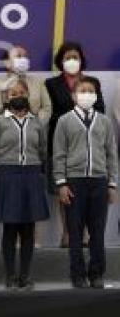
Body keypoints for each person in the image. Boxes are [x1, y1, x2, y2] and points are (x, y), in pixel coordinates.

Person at [0, 79, 49, 290]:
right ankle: (10, 276)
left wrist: (34, 166)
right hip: (8, 175)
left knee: (28, 229)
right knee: (10, 229)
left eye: (21, 92)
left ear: (28, 96)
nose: (17, 96)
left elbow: (43, 150)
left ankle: (26, 276)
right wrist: (2, 168)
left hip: (31, 174)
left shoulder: (36, 122)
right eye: (12, 93)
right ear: (6, 98)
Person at [53, 78, 118, 289]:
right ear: (74, 95)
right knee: (75, 231)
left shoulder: (105, 122)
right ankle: (77, 275)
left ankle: (96, 273)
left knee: (97, 231)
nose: (87, 94)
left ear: (96, 96)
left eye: (91, 91)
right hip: (74, 182)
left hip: (99, 181)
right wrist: (62, 184)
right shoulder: (64, 121)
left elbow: (111, 154)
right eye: (83, 90)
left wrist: (112, 184)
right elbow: (59, 155)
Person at [45, 41, 106, 247]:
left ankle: (86, 234)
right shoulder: (51, 84)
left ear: (81, 59)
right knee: (65, 190)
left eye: (75, 57)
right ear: (61, 61)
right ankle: (68, 234)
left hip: (89, 144)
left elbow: (101, 111)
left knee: (88, 191)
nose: (72, 61)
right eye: (67, 57)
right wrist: (72, 116)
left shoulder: (93, 82)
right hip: (62, 142)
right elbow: (50, 114)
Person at [0, 45, 52, 123]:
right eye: (19, 56)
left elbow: (47, 108)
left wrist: (34, 124)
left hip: (35, 128)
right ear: (7, 62)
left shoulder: (38, 82)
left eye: (25, 57)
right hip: (8, 129)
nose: (23, 59)